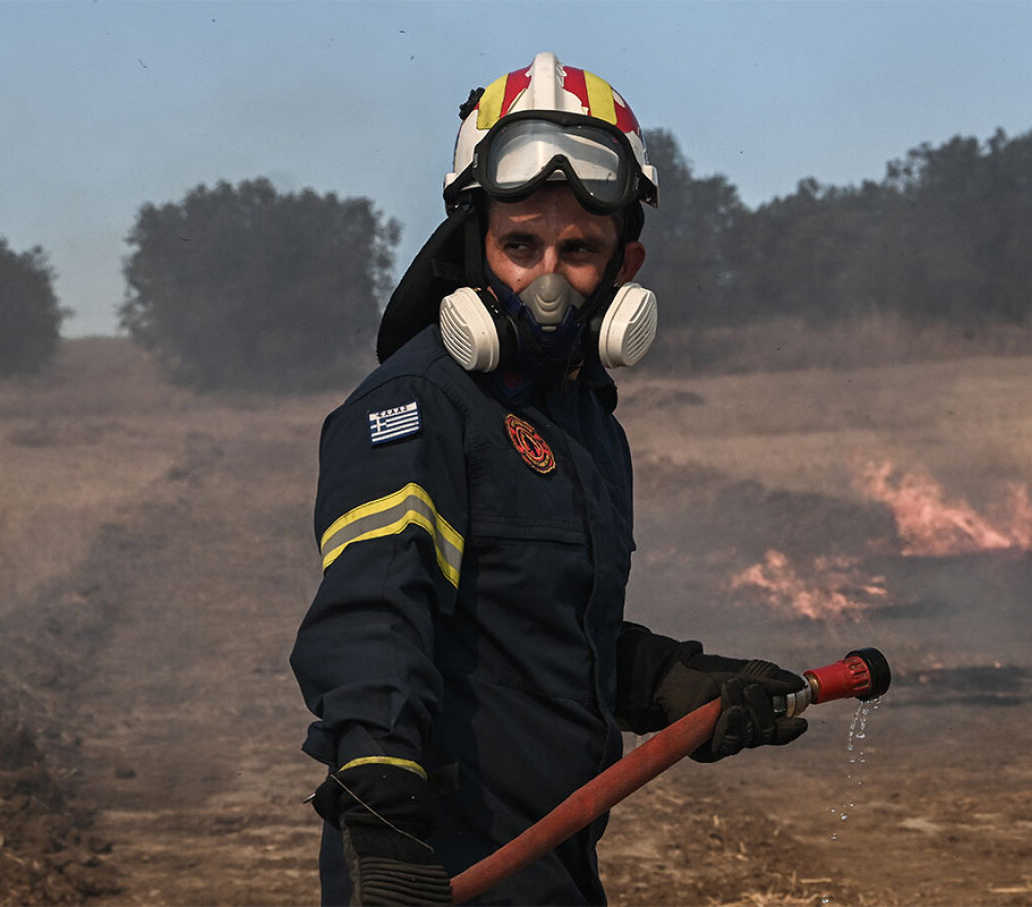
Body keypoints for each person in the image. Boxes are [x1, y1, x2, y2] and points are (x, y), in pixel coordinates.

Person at [290, 52, 809, 906]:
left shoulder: (586, 425)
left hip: (554, 856)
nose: (546, 281)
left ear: (622, 270)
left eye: (578, 251)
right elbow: (378, 607)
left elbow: (533, 623)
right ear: (470, 245)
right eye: (519, 245)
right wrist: (379, 810)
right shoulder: (418, 402)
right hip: (439, 859)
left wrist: (676, 686)